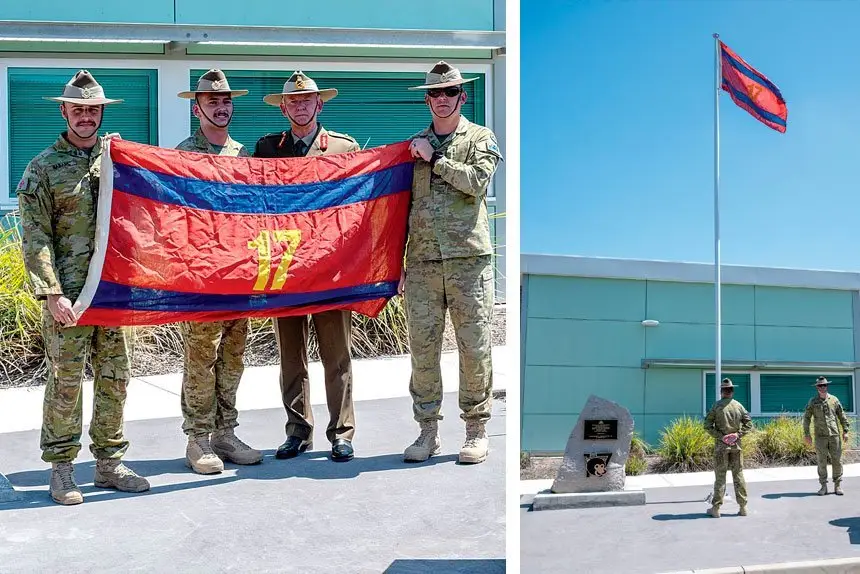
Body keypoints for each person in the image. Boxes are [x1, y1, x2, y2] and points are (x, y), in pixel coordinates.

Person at [17, 70, 150, 505]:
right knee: (66, 382)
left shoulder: (117, 161)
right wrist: (51, 293)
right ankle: (61, 469)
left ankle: (109, 463)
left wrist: (126, 159)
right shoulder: (43, 168)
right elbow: (35, 236)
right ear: (64, 111)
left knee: (116, 377)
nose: (86, 117)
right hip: (70, 297)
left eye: (93, 110)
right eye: (78, 109)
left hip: (113, 292)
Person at [253, 71, 360, 462]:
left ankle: (341, 432)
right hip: (285, 264)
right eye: (293, 101)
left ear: (320, 104)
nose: (300, 106)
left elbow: (357, 205)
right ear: (284, 108)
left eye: (307, 100)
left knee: (337, 354)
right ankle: (298, 430)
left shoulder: (344, 147)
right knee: (290, 354)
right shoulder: (267, 148)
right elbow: (257, 203)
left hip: (329, 265)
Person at [401, 61, 504, 464]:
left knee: (474, 348)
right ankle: (427, 432)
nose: (441, 98)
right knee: (422, 351)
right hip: (423, 263)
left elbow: (478, 183)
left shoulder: (480, 138)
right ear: (427, 100)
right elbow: (400, 210)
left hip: (468, 263)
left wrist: (436, 160)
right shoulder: (413, 147)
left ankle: (476, 430)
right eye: (434, 93)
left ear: (462, 97)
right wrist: (394, 266)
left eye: (449, 92)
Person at [175, 69, 263, 474]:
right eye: (213, 101)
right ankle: (197, 439)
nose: (221, 107)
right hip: (201, 275)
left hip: (239, 271)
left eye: (226, 101)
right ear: (197, 109)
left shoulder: (244, 156)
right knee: (201, 358)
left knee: (233, 357)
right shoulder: (183, 155)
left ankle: (225, 433)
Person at [703, 378, 753, 518]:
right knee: (738, 475)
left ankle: (716, 508)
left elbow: (707, 425)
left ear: (721, 391)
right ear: (732, 391)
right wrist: (737, 435)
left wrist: (721, 437)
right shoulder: (739, 406)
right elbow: (749, 424)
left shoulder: (716, 406)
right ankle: (743, 507)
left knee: (720, 476)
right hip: (736, 446)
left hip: (721, 447)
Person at [803, 376, 850, 495]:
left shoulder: (834, 400)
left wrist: (845, 431)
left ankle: (837, 485)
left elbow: (842, 415)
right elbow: (807, 418)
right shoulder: (813, 402)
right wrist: (807, 434)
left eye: (824, 385)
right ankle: (823, 486)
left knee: (837, 461)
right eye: (820, 386)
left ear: (827, 386)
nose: (822, 387)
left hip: (834, 435)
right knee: (821, 461)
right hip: (820, 436)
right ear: (817, 387)